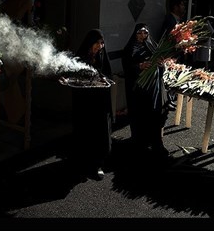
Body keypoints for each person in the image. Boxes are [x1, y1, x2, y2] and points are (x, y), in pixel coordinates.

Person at [121, 23, 170, 160]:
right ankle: (139, 142)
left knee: (154, 115)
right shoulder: (130, 48)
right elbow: (126, 66)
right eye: (140, 33)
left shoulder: (152, 46)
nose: (143, 36)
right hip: (138, 89)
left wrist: (161, 65)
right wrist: (139, 66)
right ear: (135, 34)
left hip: (152, 89)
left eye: (145, 33)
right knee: (139, 115)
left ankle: (156, 143)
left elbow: (161, 66)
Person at [70, 29, 113, 180]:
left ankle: (97, 165)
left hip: (99, 103)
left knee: (99, 133)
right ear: (90, 42)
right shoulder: (80, 57)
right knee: (84, 132)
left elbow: (108, 75)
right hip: (85, 103)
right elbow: (73, 76)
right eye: (97, 43)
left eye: (102, 43)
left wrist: (103, 79)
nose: (100, 46)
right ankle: (82, 164)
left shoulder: (102, 56)